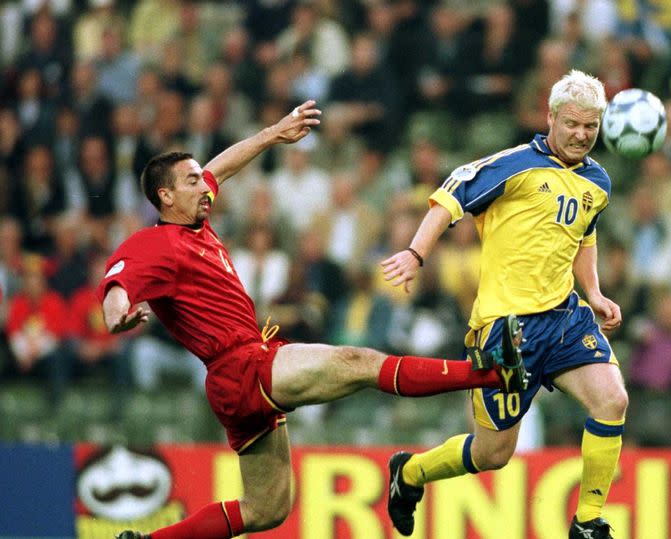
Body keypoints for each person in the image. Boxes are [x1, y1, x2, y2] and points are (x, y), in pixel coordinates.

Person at [102, 100, 526, 539]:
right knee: (357, 362)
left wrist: (274, 132)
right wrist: (118, 318)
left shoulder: (194, 223)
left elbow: (219, 167)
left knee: (268, 508)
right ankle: (492, 372)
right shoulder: (155, 244)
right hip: (243, 366)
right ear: (164, 197)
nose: (205, 187)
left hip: (236, 378)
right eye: (192, 182)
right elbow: (117, 286)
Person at [381, 70, 627, 539]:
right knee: (494, 453)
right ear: (551, 117)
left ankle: (589, 522)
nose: (580, 135)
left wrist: (593, 292)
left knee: (612, 399)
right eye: (572, 124)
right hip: (505, 330)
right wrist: (416, 254)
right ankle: (408, 473)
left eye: (590, 127)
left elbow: (584, 234)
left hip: (563, 317)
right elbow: (450, 196)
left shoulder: (598, 181)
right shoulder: (514, 165)